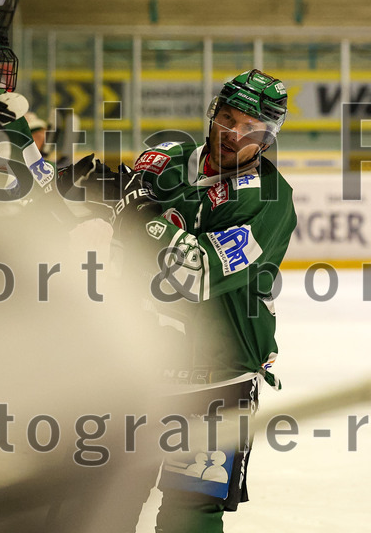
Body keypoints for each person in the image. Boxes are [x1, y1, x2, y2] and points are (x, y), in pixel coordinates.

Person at [67, 69, 296, 531]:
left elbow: (195, 274)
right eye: (228, 118)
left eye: (249, 128)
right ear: (213, 113)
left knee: (190, 515)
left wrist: (141, 213)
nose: (233, 134)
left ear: (267, 139)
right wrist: (73, 187)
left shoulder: (270, 201)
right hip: (136, 366)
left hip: (217, 377)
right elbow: (109, 213)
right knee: (102, 503)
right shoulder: (164, 158)